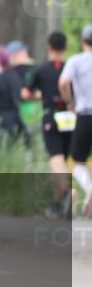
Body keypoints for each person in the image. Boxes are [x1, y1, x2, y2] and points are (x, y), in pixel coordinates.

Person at [24, 31, 72, 217]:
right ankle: (57, 203)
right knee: (64, 161)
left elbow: (25, 94)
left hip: (51, 116)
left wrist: (41, 95)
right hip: (70, 117)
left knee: (56, 158)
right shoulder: (70, 68)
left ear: (49, 47)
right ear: (65, 47)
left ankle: (66, 190)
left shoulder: (41, 70)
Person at [59, 24, 92, 219]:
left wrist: (69, 101)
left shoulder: (75, 60)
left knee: (78, 160)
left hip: (85, 114)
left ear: (82, 41)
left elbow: (63, 82)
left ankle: (89, 188)